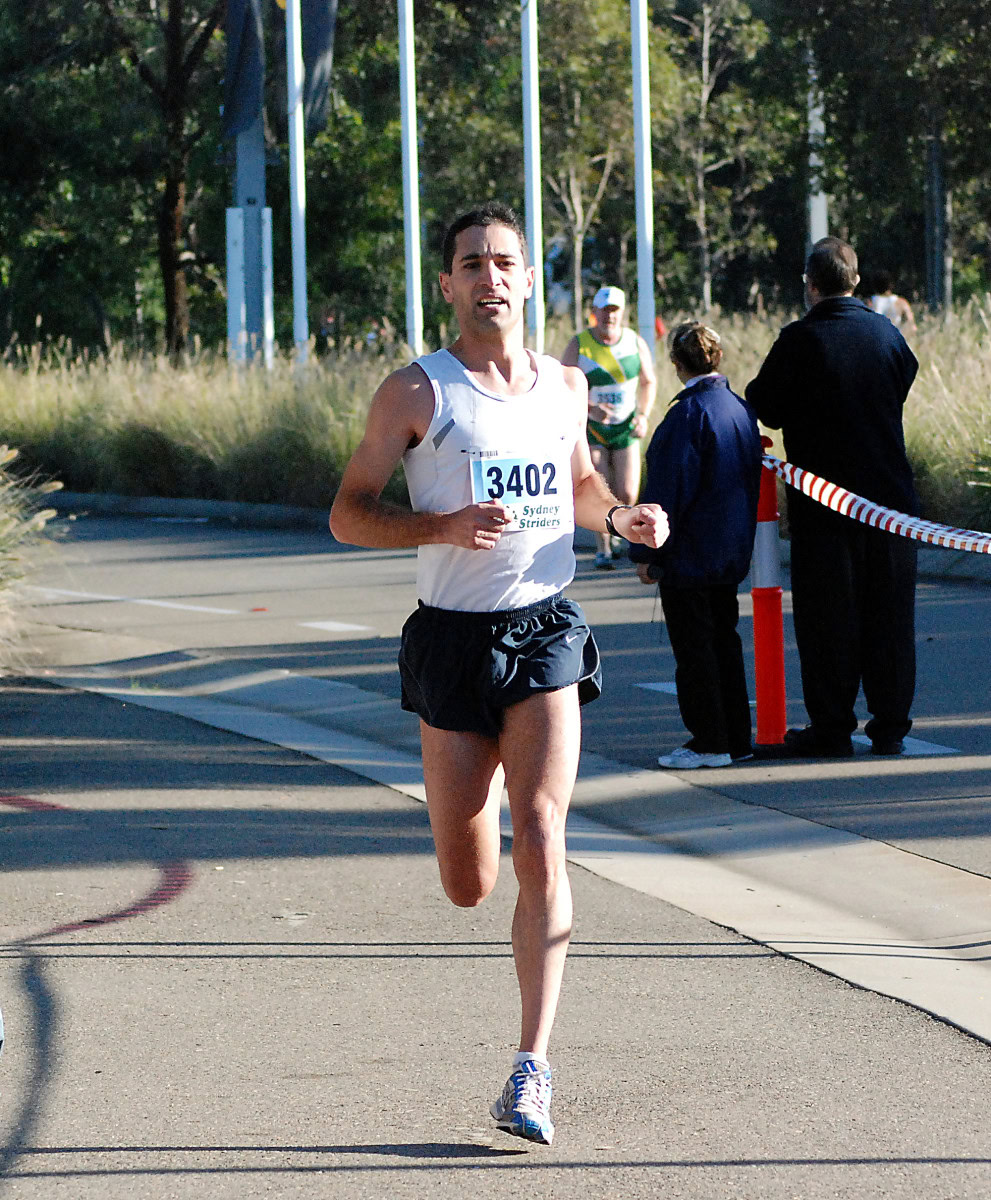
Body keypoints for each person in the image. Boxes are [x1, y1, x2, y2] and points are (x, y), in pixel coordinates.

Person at [329, 202, 668, 1145]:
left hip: (545, 626)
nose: (490, 277)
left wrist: (619, 518)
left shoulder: (563, 386)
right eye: (472, 262)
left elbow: (580, 481)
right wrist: (437, 524)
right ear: (448, 284)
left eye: (505, 263)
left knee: (545, 837)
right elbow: (348, 514)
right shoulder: (415, 393)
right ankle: (476, 871)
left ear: (527, 281)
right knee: (469, 880)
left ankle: (531, 1069)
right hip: (449, 640)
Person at [746, 237, 919, 757]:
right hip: (891, 506)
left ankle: (833, 727)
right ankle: (890, 727)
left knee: (830, 622)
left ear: (811, 284)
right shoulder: (887, 334)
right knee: (890, 619)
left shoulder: (800, 339)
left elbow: (763, 404)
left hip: (826, 507)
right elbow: (905, 380)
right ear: (856, 281)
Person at [630, 322, 762, 769]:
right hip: (730, 550)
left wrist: (647, 553)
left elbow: (667, 492)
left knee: (695, 650)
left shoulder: (686, 416)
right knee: (724, 641)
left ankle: (710, 740)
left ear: (676, 364)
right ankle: (736, 737)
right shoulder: (741, 410)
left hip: (689, 554)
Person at [561, 286, 657, 569]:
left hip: (625, 427)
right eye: (604, 311)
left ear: (622, 313)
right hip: (591, 429)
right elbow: (560, 386)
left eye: (614, 311)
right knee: (598, 489)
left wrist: (643, 414)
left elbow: (649, 380)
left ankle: (624, 537)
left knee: (627, 491)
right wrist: (590, 408)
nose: (609, 317)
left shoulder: (634, 342)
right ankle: (603, 548)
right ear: (595, 313)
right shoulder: (580, 344)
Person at [868, 270, 917, 336]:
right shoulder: (901, 303)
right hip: (894, 341)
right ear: (891, 285)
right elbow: (912, 326)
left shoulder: (869, 303)